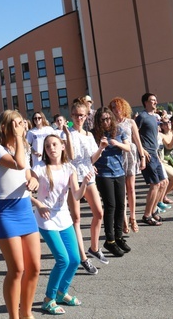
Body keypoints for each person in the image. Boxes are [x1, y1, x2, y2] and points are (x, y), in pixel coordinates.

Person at [0, 109, 41, 319]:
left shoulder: (21, 147)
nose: (22, 126)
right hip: (5, 212)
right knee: (17, 269)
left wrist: (34, 179)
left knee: (34, 267)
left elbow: (26, 171)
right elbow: (17, 164)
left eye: (22, 123)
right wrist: (19, 138)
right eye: (17, 123)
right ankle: (14, 316)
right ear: (4, 127)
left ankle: (27, 313)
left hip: (25, 209)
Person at [32, 134, 92, 315]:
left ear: (62, 146)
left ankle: (61, 293)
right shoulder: (39, 168)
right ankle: (48, 299)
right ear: (45, 150)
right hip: (46, 219)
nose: (52, 148)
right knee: (62, 260)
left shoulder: (69, 168)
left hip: (64, 217)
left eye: (55, 144)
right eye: (48, 146)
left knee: (74, 260)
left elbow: (76, 195)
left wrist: (85, 183)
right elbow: (24, 192)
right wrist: (39, 204)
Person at [67, 100, 105, 274]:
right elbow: (71, 156)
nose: (79, 118)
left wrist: (101, 149)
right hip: (72, 177)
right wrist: (67, 135)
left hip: (88, 175)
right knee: (76, 219)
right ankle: (83, 257)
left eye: (82, 115)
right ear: (71, 115)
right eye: (76, 115)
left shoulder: (89, 135)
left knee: (99, 212)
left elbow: (91, 159)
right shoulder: (68, 133)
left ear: (86, 115)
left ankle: (94, 247)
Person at [92, 107, 131, 253]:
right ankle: (110, 240)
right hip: (104, 174)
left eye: (108, 119)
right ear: (98, 121)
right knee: (110, 206)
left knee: (121, 205)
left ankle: (119, 236)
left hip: (119, 171)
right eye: (103, 119)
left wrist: (116, 143)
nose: (106, 122)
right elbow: (90, 154)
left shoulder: (118, 130)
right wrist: (100, 148)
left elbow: (128, 147)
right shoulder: (94, 134)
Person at [108, 97, 146, 235]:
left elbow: (137, 140)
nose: (115, 110)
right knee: (121, 190)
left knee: (131, 188)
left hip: (130, 155)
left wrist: (142, 157)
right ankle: (123, 218)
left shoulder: (130, 122)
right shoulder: (111, 123)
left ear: (123, 107)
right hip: (117, 156)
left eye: (116, 107)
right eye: (112, 107)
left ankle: (133, 217)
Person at [135, 94, 168, 226]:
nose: (155, 102)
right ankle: (147, 215)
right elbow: (134, 134)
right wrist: (142, 151)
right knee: (155, 184)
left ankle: (153, 211)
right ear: (145, 102)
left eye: (155, 100)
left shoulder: (154, 117)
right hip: (147, 154)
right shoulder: (142, 117)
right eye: (152, 100)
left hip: (155, 153)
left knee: (163, 182)